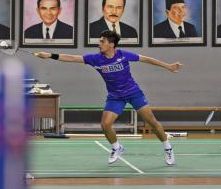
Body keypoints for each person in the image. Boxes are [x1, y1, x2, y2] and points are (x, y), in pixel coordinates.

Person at [35, 30, 181, 165]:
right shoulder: (96, 59)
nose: (99, 43)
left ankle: (167, 148)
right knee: (105, 125)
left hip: (133, 92)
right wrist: (50, 55)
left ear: (111, 44)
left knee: (152, 122)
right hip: (115, 96)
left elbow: (146, 59)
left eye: (102, 41)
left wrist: (168, 66)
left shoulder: (123, 55)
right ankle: (117, 147)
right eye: (100, 41)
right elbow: (73, 58)